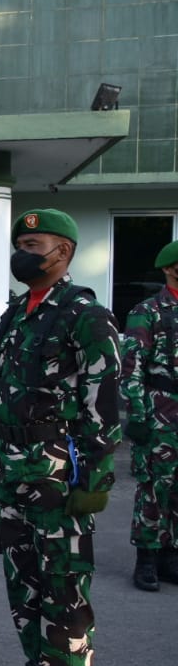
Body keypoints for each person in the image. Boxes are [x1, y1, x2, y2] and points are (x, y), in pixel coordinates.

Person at [0, 208, 120, 666]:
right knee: (22, 569)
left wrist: (94, 480)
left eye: (33, 244)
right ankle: (37, 665)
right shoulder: (17, 312)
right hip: (15, 466)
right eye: (20, 242)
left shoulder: (85, 315)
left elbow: (102, 406)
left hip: (60, 466)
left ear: (62, 251)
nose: (23, 252)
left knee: (63, 573)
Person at [122, 240, 178, 591]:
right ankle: (146, 558)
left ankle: (171, 558)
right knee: (155, 487)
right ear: (171, 268)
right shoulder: (149, 310)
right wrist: (138, 416)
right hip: (160, 411)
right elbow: (132, 366)